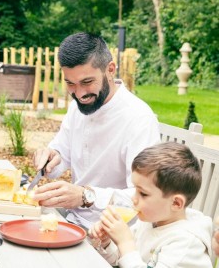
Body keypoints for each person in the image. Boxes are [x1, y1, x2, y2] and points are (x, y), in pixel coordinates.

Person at [32, 32, 160, 229]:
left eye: (87, 82)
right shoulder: (77, 107)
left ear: (110, 70)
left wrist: (85, 196)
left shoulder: (138, 119)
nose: (80, 94)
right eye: (70, 84)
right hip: (72, 220)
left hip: (112, 235)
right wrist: (51, 157)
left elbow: (144, 195)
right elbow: (61, 154)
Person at [88, 142, 213, 267]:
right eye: (135, 190)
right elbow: (123, 260)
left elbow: (128, 253)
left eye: (143, 193)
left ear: (176, 203)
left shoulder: (185, 243)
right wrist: (107, 243)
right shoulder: (149, 221)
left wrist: (125, 242)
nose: (133, 198)